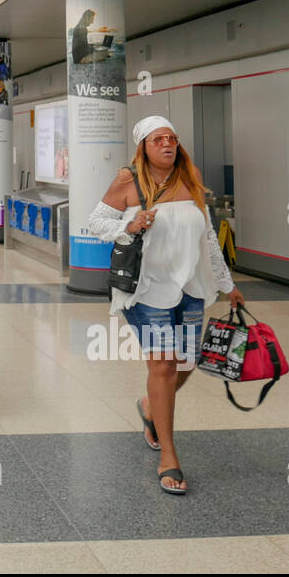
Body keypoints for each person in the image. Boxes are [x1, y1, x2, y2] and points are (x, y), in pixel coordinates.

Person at [85, 117, 242, 496]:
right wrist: (130, 226)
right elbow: (95, 222)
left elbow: (206, 236)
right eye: (158, 140)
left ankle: (150, 406)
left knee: (185, 365)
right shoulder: (129, 180)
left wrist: (227, 284)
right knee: (164, 363)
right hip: (146, 289)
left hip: (190, 286)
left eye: (171, 139)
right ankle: (168, 456)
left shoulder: (190, 178)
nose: (167, 145)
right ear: (144, 147)